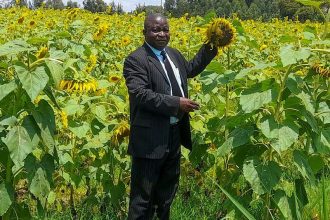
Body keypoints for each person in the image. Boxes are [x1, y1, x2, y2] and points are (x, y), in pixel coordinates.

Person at [123, 13, 218, 220]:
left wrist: (212, 44)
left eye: (165, 29)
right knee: (143, 198)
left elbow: (190, 69)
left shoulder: (173, 54)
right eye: (156, 30)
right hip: (150, 139)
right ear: (144, 32)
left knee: (167, 192)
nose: (162, 34)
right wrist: (177, 103)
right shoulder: (136, 60)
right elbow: (140, 94)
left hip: (174, 133)